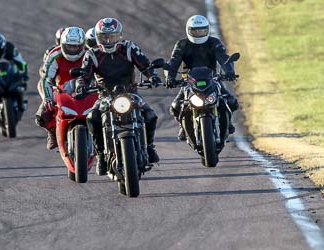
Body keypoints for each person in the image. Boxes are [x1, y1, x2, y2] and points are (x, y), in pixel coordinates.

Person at [75, 18, 161, 174]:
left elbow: (145, 65)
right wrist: (81, 86)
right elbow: (84, 75)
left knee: (150, 115)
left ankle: (149, 147)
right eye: (104, 37)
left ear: (119, 36)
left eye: (112, 37)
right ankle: (101, 155)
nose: (108, 41)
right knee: (92, 118)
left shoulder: (129, 48)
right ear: (98, 37)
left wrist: (153, 76)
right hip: (105, 96)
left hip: (130, 93)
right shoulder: (92, 54)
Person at [166, 15, 239, 140]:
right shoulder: (182, 44)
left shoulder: (214, 42)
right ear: (189, 30)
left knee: (231, 101)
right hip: (189, 81)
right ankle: (183, 127)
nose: (199, 34)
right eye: (196, 31)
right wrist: (170, 77)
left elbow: (223, 58)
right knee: (176, 106)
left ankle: (228, 123)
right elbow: (174, 62)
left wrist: (230, 72)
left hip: (212, 79)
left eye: (202, 30)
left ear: (207, 30)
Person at [35, 27, 86, 150]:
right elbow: (46, 79)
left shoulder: (89, 53)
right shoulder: (54, 55)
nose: (73, 50)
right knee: (42, 116)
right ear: (63, 44)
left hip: (86, 89)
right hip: (60, 90)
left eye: (76, 46)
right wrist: (48, 97)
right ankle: (53, 132)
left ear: (82, 45)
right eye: (69, 46)